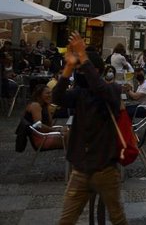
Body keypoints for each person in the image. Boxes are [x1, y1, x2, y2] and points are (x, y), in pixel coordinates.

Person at [52, 33, 127, 225]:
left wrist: (83, 57)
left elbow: (99, 87)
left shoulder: (112, 92)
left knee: (117, 217)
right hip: (81, 169)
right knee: (66, 219)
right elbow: (57, 97)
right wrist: (68, 67)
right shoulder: (79, 95)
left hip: (105, 169)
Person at [24, 84, 66, 149]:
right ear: (39, 95)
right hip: (41, 139)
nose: (50, 95)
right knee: (73, 139)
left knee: (70, 132)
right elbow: (38, 125)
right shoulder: (35, 105)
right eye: (47, 93)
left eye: (50, 93)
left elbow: (50, 124)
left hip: (46, 135)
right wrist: (55, 130)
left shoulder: (44, 105)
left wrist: (48, 107)